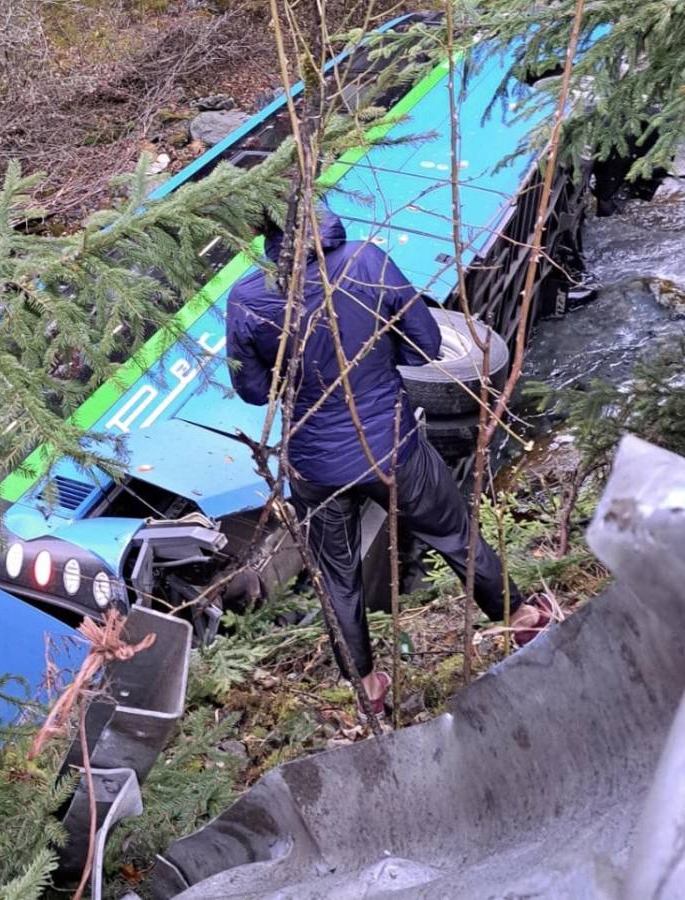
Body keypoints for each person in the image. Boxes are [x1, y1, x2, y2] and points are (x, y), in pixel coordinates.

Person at [225, 207, 552, 718]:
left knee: (337, 579)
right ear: (317, 210)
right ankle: (524, 620)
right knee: (455, 535)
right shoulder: (367, 261)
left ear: (259, 230)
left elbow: (252, 390)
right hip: (390, 450)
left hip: (313, 467)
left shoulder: (246, 297)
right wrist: (376, 356)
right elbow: (426, 344)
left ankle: (368, 691)